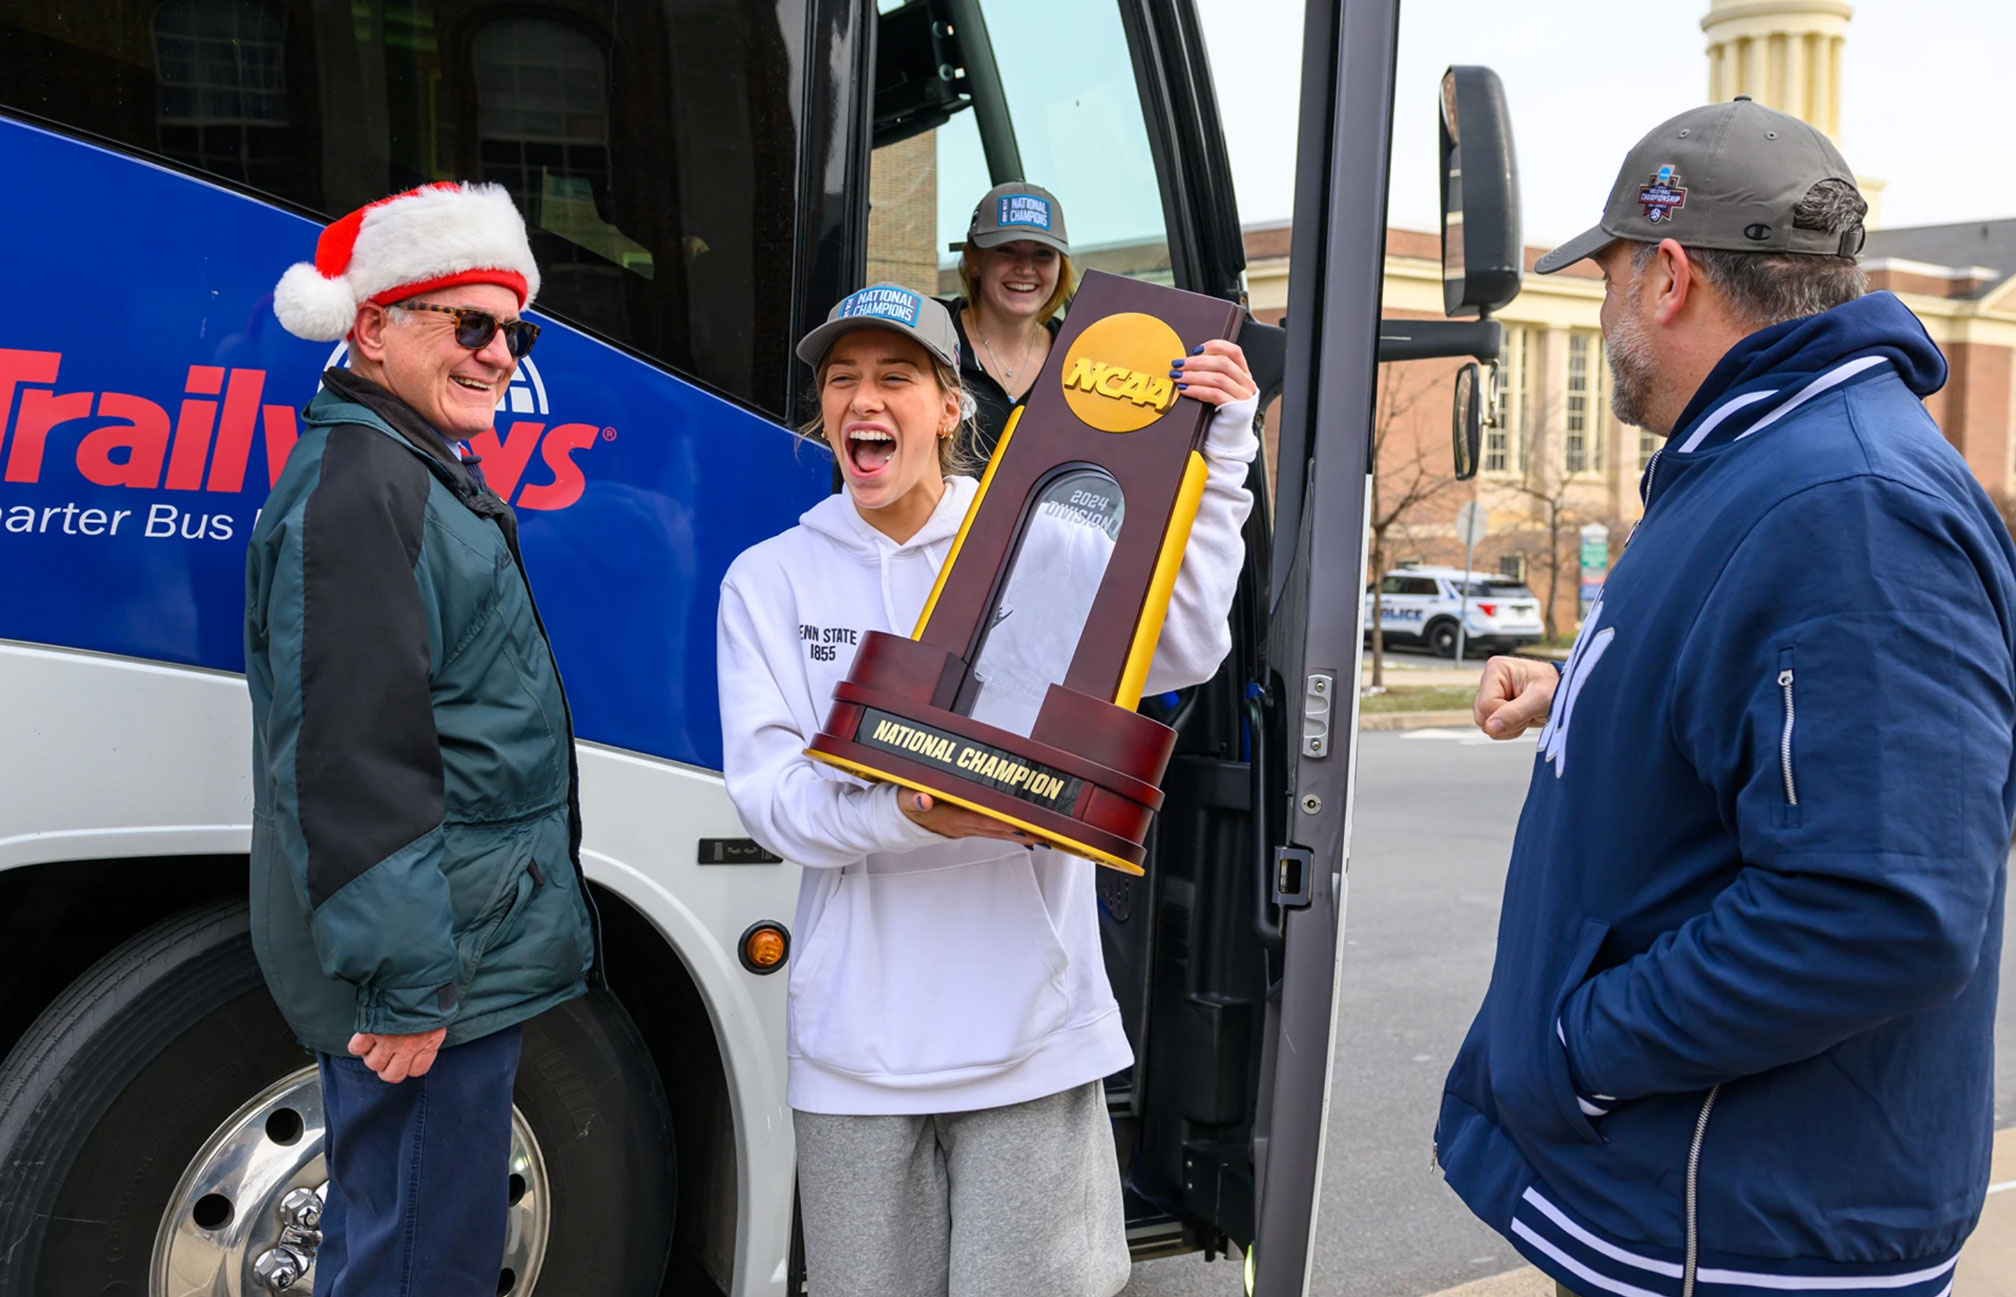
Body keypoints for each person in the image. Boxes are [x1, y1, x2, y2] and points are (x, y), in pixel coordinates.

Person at [1442, 99, 2014, 1297]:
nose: (1598, 316)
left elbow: (1878, 909)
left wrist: (1577, 1053)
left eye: (1601, 281)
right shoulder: (1761, 461)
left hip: (1736, 1235)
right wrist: (1590, 692)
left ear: (1666, 274)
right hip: (1700, 1213)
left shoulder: (1848, 504)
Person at [717, 284, 1257, 1296]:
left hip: (1030, 1038)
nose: (861, 401)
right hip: (854, 1054)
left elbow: (1179, 641)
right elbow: (768, 796)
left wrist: (1223, 459)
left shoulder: (1037, 537)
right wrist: (905, 815)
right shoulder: (771, 579)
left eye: (893, 377)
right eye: (841, 381)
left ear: (949, 405)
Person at [246, 182, 597, 1295]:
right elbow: (350, 751)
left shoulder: (406, 466)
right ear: (371, 326)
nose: (500, 355)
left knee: (413, 1248)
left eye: (513, 329)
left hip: (455, 949)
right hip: (432, 972)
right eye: (469, 325)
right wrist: (407, 983)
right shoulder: (366, 487)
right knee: (415, 1263)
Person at [942, 181, 1076, 459]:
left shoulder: (1082, 357)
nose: (1026, 268)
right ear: (974, 259)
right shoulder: (930, 336)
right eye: (1007, 250)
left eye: (1043, 254)